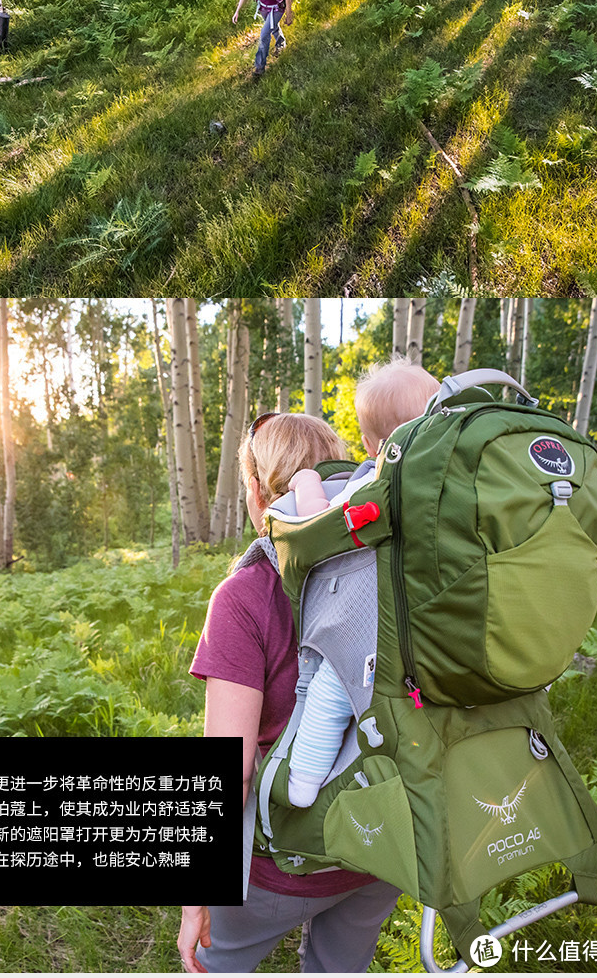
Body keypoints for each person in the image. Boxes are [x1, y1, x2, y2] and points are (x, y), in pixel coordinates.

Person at [178, 411, 401, 974]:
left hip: (281, 865)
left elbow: (233, 770)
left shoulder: (244, 596)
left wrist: (194, 898)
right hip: (378, 843)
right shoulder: (394, 570)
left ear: (257, 490)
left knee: (216, 967)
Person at [287, 359, 441, 808]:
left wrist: (308, 480)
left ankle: (304, 779)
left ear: (374, 445)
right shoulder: (459, 482)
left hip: (380, 630)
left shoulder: (375, 483)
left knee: (332, 687)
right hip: (445, 623)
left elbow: (320, 522)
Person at [232, 0, 293, 76]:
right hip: (263, 8)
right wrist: (237, 11)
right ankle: (281, 42)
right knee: (272, 26)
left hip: (276, 8)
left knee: (264, 35)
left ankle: (259, 68)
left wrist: (289, 14)